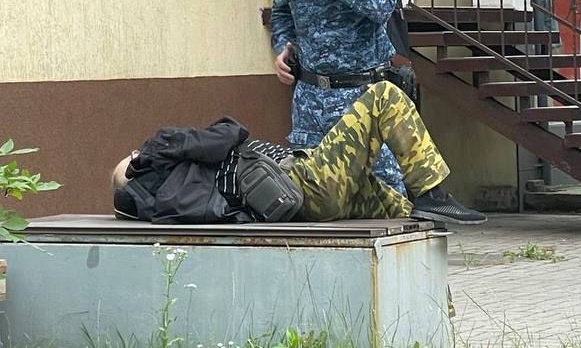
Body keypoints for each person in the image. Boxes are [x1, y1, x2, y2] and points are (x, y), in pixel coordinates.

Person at [112, 81, 487, 226]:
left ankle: (437, 310)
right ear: (138, 167)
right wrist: (151, 150)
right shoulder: (165, 152)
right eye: (132, 155)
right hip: (308, 182)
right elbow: (231, 132)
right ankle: (432, 192)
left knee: (413, 223)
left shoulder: (173, 199)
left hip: (307, 204)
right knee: (384, 96)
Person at [269, 0, 406, 195]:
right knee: (313, 195)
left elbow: (381, 8)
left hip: (362, 99)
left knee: (385, 196)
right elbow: (281, 11)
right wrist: (283, 46)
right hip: (310, 105)